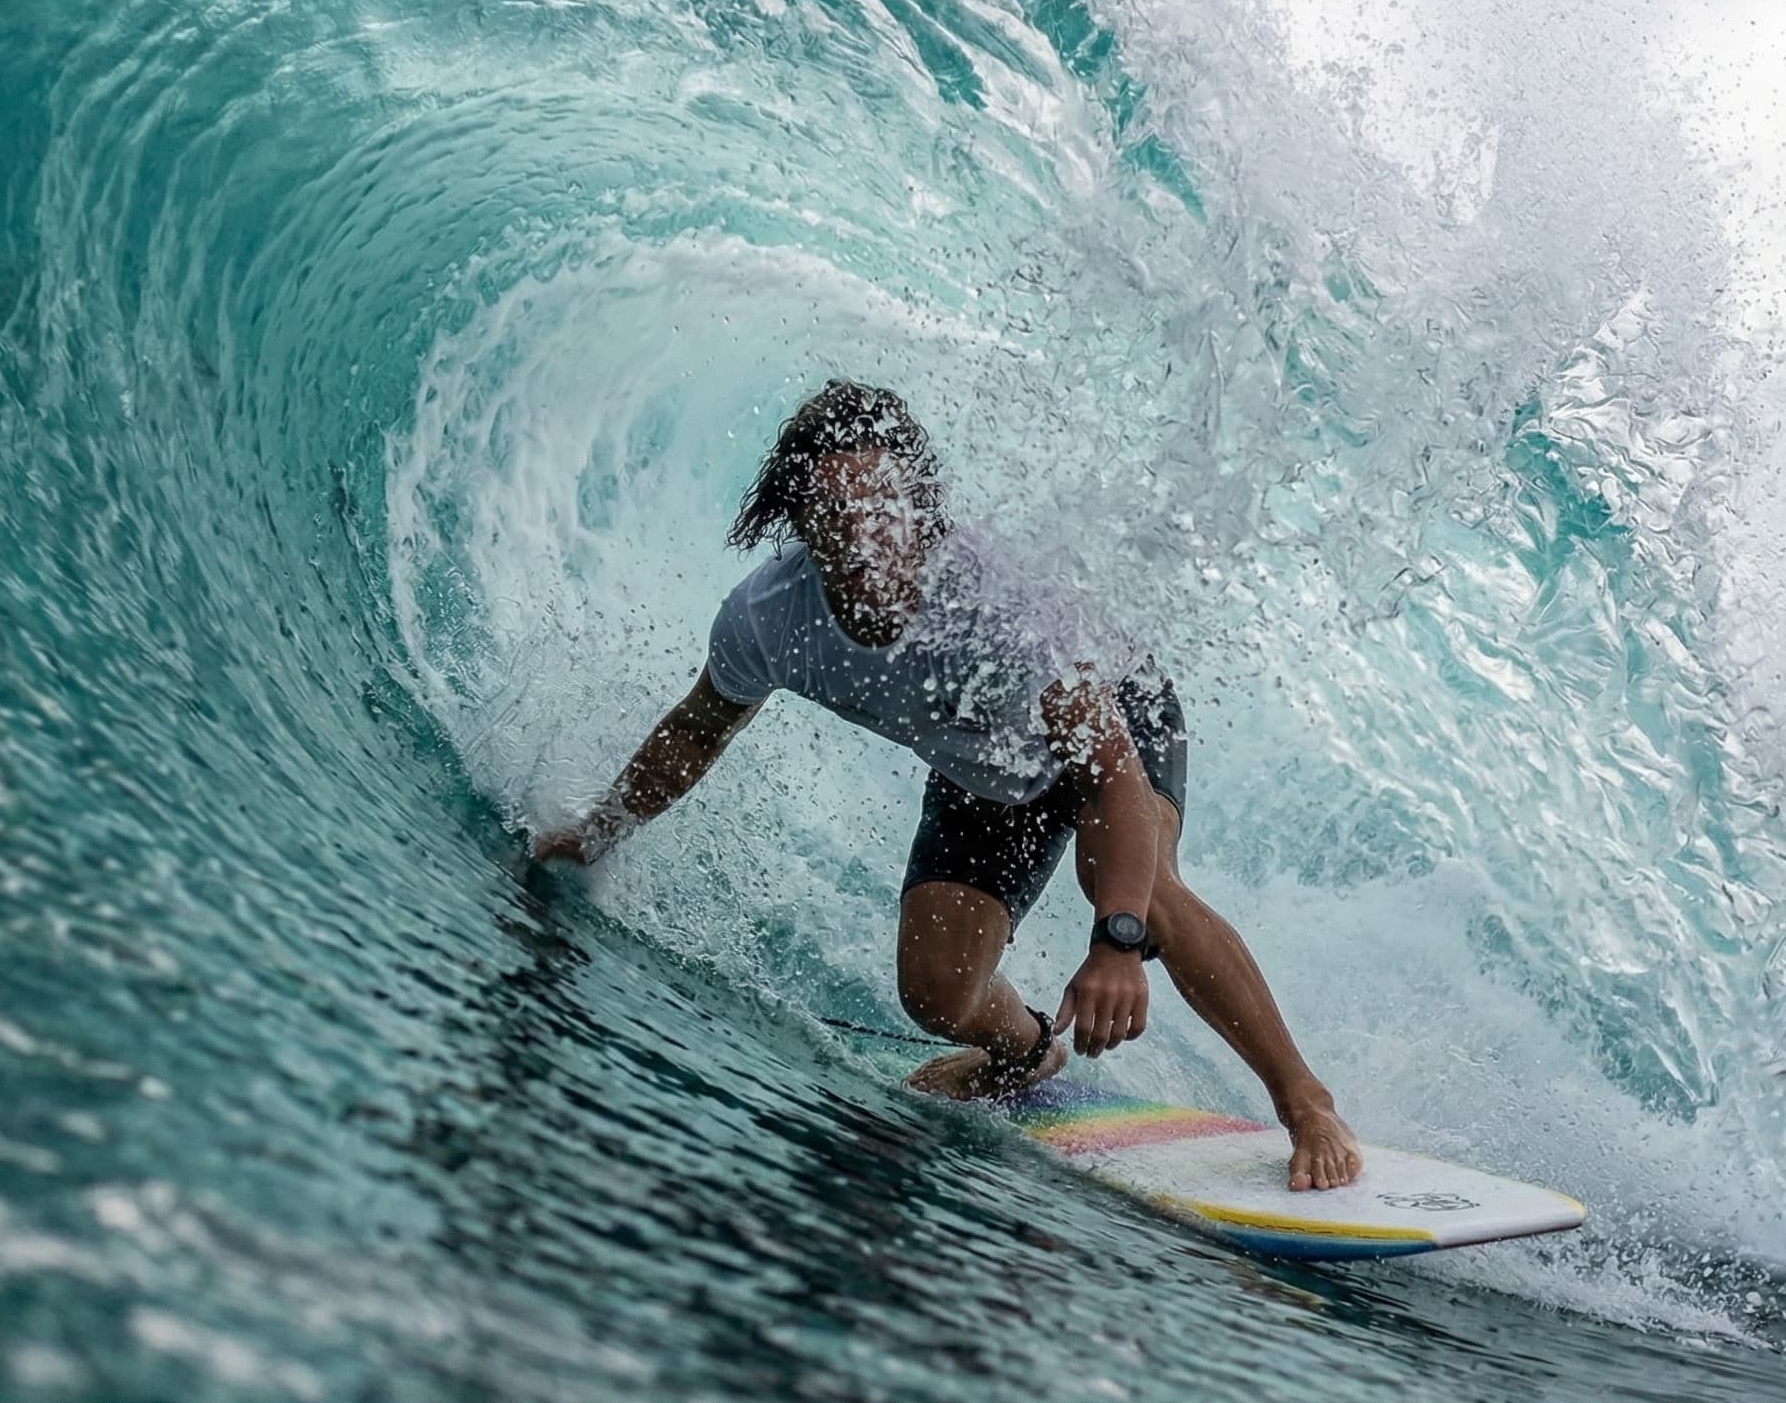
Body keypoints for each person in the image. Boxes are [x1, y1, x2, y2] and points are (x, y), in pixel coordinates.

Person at [532, 380, 1363, 1190]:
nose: (858, 534)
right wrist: (595, 832)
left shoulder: (997, 607)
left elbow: (1109, 777)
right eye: (831, 513)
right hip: (987, 770)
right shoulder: (770, 616)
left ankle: (1306, 1103)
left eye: (878, 509)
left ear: (920, 508)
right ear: (799, 519)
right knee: (936, 992)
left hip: (1113, 720)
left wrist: (1115, 941)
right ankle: (1028, 1055)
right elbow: (696, 730)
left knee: (1148, 893)